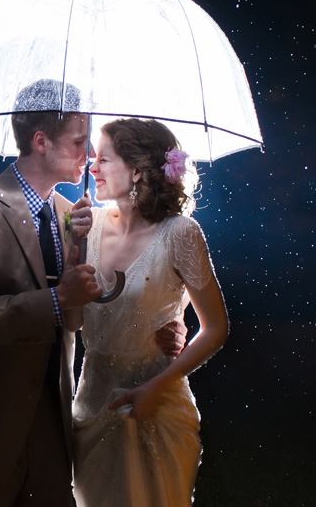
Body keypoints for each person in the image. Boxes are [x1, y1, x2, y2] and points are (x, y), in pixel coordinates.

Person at [0, 80, 187, 507]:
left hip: (52, 435)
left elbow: (89, 315)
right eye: (78, 143)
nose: (88, 157)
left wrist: (161, 327)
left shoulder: (70, 216)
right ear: (41, 142)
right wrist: (57, 299)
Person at [67, 118, 229, 507]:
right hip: (92, 403)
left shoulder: (181, 233)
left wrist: (157, 385)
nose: (92, 168)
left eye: (103, 159)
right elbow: (71, 322)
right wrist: (73, 244)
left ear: (137, 170)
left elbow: (216, 328)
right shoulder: (85, 225)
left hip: (157, 406)